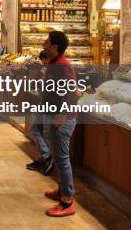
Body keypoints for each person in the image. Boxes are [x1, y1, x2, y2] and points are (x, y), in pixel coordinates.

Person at [41, 31, 78, 218]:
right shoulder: (55, 64)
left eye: (47, 42)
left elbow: (72, 93)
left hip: (61, 121)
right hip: (53, 117)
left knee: (62, 160)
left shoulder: (63, 66)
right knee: (58, 156)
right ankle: (61, 190)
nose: (44, 45)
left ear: (54, 47)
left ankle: (67, 201)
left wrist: (61, 117)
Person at [26, 50, 55, 176]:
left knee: (45, 133)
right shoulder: (46, 70)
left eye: (44, 61)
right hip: (43, 103)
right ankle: (45, 156)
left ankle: (46, 158)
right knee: (35, 130)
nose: (43, 63)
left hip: (50, 106)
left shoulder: (55, 69)